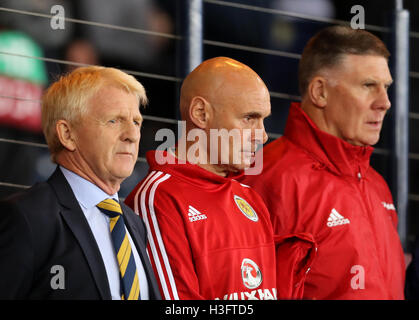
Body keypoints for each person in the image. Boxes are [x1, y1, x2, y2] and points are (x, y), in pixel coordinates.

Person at [241, 26, 405, 299]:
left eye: (386, 87)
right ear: (319, 92)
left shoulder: (377, 184)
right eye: (368, 86)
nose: (384, 102)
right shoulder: (265, 180)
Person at [125, 57, 281, 300]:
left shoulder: (250, 198)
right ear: (200, 113)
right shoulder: (157, 199)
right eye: (249, 118)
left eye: (264, 120)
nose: (261, 136)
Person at [0, 66, 161, 300]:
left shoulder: (134, 223)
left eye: (136, 122)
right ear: (67, 134)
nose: (132, 135)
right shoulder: (26, 217)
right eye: (114, 120)